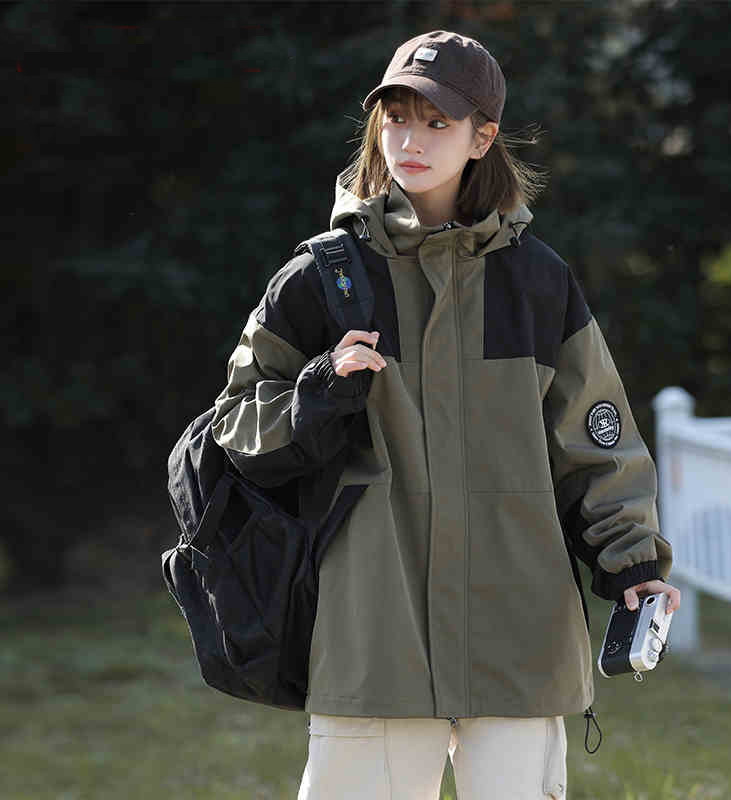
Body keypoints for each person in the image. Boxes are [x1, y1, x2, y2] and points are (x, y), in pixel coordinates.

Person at [211, 30, 680, 800]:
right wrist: (319, 390)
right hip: (375, 629)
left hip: (520, 629)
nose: (410, 140)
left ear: (481, 137)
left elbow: (597, 442)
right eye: (396, 118)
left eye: (437, 122)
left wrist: (633, 564)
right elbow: (236, 421)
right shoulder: (322, 278)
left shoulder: (537, 281)